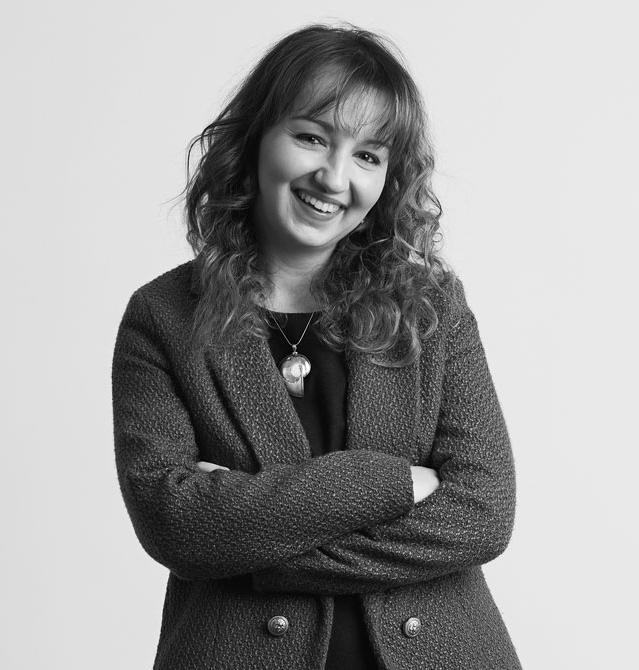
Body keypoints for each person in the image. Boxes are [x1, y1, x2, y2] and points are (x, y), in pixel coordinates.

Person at [112, 24, 520, 670]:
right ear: (256, 141)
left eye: (368, 155)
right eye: (311, 137)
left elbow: (482, 514)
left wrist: (251, 543)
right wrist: (390, 483)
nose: (334, 178)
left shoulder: (433, 308)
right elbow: (177, 526)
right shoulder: (162, 318)